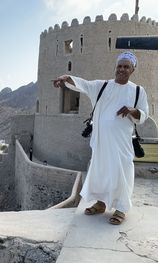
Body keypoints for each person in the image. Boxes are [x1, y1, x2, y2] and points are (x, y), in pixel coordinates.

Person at [52, 51, 149, 225]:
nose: (122, 69)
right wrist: (67, 78)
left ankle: (121, 209)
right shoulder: (102, 86)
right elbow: (83, 84)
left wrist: (132, 111)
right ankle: (101, 203)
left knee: (122, 172)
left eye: (126, 67)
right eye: (119, 66)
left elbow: (144, 115)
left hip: (122, 143)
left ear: (132, 69)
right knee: (102, 172)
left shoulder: (137, 91)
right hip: (102, 142)